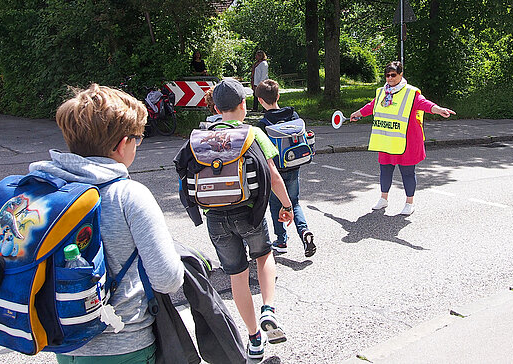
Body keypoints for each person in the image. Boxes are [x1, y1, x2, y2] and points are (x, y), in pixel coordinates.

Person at [29, 84, 185, 364]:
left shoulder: (47, 191)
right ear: (122, 144)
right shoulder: (129, 195)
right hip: (124, 346)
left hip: (64, 342)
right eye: (137, 138)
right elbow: (167, 279)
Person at [178, 79, 293, 361]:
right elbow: (274, 176)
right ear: (243, 105)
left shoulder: (198, 138)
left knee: (236, 276)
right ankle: (269, 309)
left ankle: (254, 339)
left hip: (215, 218)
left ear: (216, 108)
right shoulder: (252, 133)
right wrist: (287, 205)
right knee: (264, 256)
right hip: (249, 213)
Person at [350, 61, 456, 215]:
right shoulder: (382, 92)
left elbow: (425, 104)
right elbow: (372, 106)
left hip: (407, 142)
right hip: (387, 140)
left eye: (393, 75)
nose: (390, 78)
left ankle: (409, 202)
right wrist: (357, 113)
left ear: (400, 74)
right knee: (385, 171)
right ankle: (383, 198)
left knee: (407, 172)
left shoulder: (410, 93)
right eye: (387, 75)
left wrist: (439, 110)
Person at [256, 79, 316, 257]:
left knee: (276, 206)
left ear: (260, 100)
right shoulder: (293, 115)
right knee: (294, 203)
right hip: (294, 166)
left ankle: (281, 240)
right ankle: (304, 232)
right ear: (278, 96)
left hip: (276, 171)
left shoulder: (263, 124)